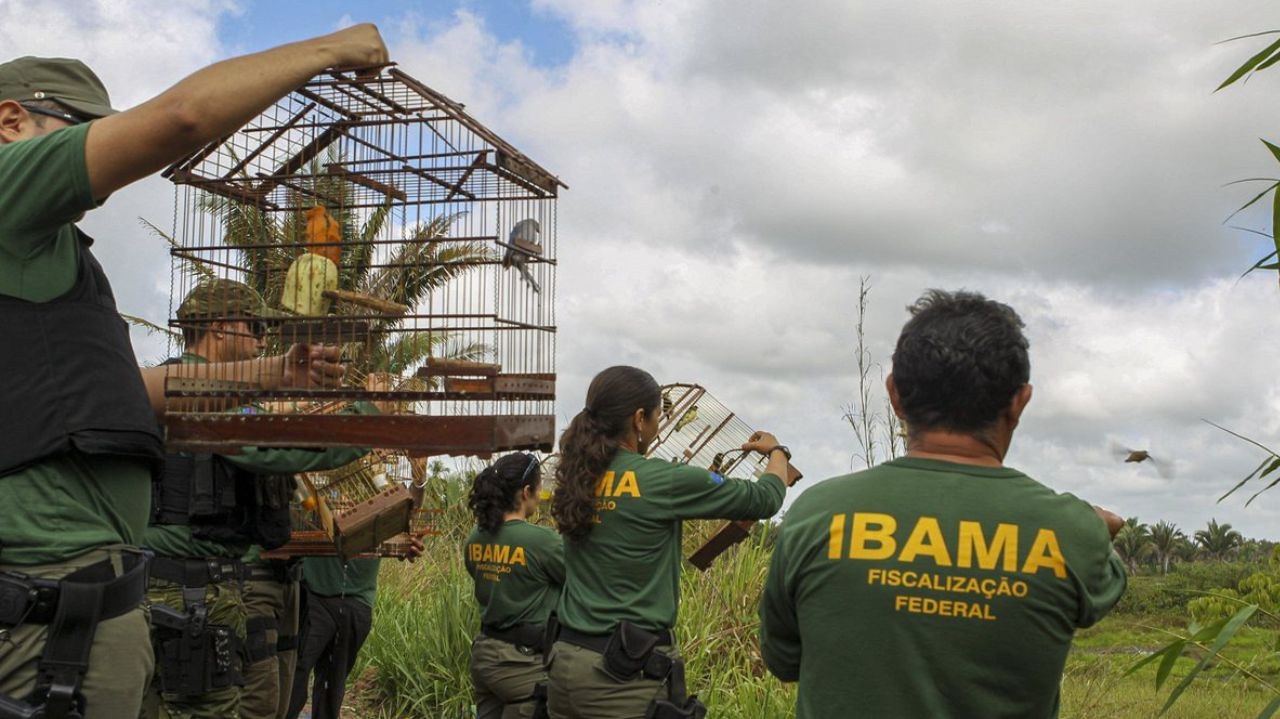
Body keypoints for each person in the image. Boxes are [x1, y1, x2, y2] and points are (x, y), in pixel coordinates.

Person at [0, 28, 385, 719]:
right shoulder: (8, 192)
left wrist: (273, 371)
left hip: (83, 601)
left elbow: (120, 396)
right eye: (83, 133)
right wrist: (332, 52)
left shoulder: (50, 262)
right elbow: (181, 119)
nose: (100, 167)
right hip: (46, 600)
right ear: (12, 120)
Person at [759, 289, 1127, 719]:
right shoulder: (1071, 532)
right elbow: (1098, 588)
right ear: (1020, 401)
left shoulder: (818, 512)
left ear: (895, 394)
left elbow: (785, 661)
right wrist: (1095, 528)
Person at [142, 280, 375, 719]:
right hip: (189, 592)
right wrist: (372, 416)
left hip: (167, 586)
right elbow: (282, 444)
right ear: (221, 326)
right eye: (255, 327)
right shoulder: (204, 394)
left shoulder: (169, 388)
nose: (262, 340)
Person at [546, 365, 798, 719]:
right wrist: (777, 453)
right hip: (622, 677)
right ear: (638, 419)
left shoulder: (576, 476)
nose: (658, 426)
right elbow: (764, 498)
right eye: (657, 417)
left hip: (565, 663)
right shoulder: (659, 479)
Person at [465, 453, 564, 719]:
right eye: (539, 487)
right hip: (523, 664)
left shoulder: (476, 537)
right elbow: (584, 579)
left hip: (485, 655)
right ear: (526, 492)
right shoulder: (543, 541)